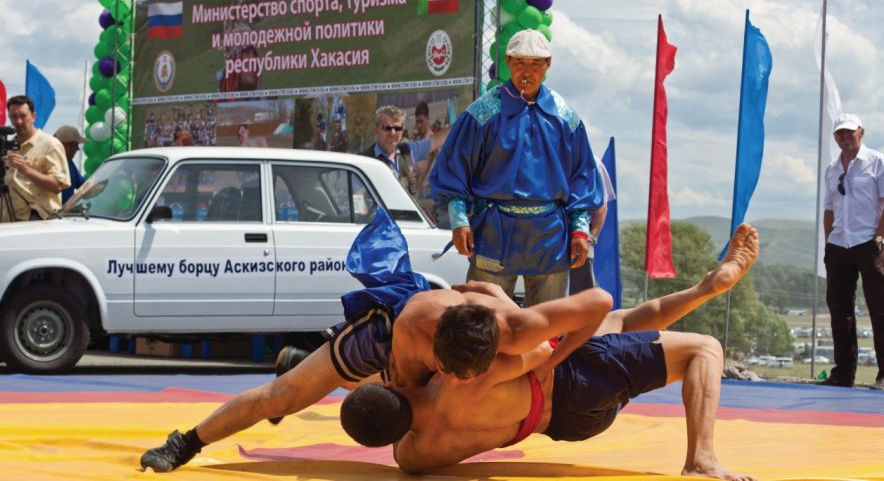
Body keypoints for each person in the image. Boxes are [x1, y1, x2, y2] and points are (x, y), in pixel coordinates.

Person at [139, 209, 611, 473]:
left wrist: (553, 362)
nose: (453, 381)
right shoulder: (406, 330)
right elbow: (398, 399)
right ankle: (186, 442)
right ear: (437, 355)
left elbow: (598, 304)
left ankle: (304, 361)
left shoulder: (515, 328)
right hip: (385, 333)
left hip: (463, 321)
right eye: (449, 372)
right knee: (285, 396)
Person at [341, 225, 761, 481]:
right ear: (393, 387)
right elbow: (540, 351)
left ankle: (704, 289)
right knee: (703, 349)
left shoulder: (414, 456)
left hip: (568, 424)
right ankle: (701, 459)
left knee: (619, 323)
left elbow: (388, 415)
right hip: (574, 380)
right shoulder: (457, 383)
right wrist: (501, 300)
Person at [429, 29, 603, 306]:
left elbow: (582, 177)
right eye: (520, 62)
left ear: (548, 65)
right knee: (481, 320)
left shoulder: (565, 116)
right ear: (508, 61)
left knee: (547, 326)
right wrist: (459, 221)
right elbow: (453, 170)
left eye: (536, 63)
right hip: (494, 232)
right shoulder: (482, 113)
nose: (527, 70)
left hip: (550, 237)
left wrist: (580, 230)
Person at [821, 113, 884, 389]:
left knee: (880, 308)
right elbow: (829, 209)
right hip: (839, 244)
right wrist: (828, 245)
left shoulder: (877, 161)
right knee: (840, 311)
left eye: (849, 132)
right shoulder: (832, 169)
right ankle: (843, 373)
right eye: (839, 133)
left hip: (869, 242)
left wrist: (880, 236)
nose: (844, 137)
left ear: (861, 132)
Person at [0, 95, 70, 222]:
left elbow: (57, 186)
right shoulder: (6, 147)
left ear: (33, 116)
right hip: (4, 222)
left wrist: (26, 170)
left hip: (34, 223)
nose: (18, 122)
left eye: (23, 116)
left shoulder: (50, 144)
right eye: (14, 117)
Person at [362, 105, 447, 200]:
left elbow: (437, 140)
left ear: (402, 130)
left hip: (409, 213)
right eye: (387, 128)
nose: (393, 132)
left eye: (397, 128)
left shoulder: (408, 151)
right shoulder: (364, 160)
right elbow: (358, 200)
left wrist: (464, 118)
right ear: (376, 129)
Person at [569, 158, 616, 292]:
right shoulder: (548, 154)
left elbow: (601, 206)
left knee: (580, 301)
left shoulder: (593, 162)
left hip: (581, 241)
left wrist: (590, 238)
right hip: (548, 238)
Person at [53, 125, 86, 204]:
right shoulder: (49, 162)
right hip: (51, 213)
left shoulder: (69, 162)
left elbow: (82, 185)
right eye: (76, 145)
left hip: (65, 214)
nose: (78, 149)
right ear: (68, 146)